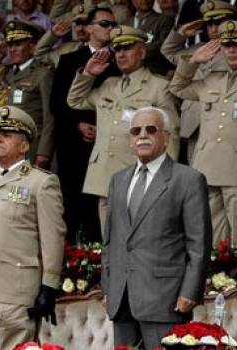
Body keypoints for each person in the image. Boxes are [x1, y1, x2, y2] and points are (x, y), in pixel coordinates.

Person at [102, 107, 211, 350]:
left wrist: (190, 292)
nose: (142, 135)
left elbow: (199, 243)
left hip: (167, 300)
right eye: (135, 131)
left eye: (151, 129)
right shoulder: (118, 180)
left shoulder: (188, 179)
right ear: (130, 140)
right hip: (122, 300)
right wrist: (108, 289)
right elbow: (110, 240)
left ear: (166, 137)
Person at [169, 20, 237, 246]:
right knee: (211, 228)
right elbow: (177, 88)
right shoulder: (211, 78)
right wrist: (192, 63)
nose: (231, 50)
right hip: (207, 164)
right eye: (227, 45)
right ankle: (216, 274)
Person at [67, 25, 179, 236]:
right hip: (105, 176)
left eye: (127, 48)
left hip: (138, 172)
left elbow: (169, 136)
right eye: (117, 50)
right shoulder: (109, 84)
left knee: (138, 239)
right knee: (109, 240)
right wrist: (88, 74)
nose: (121, 54)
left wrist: (165, 178)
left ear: (142, 52)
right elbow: (75, 100)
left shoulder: (158, 86)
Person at [0, 105, 66, 350]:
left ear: (25, 146)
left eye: (7, 135)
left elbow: (53, 236)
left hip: (16, 291)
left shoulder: (41, 182)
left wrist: (49, 286)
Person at [51, 7, 120, 242]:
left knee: (100, 205)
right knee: (69, 204)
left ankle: (95, 261)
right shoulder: (69, 60)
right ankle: (70, 265)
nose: (111, 29)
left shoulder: (120, 59)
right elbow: (57, 103)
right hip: (74, 144)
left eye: (113, 24)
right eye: (104, 24)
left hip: (107, 143)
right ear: (89, 28)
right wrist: (77, 125)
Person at [160, 0, 236, 163]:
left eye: (219, 23)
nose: (214, 29)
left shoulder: (236, 52)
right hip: (193, 123)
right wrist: (181, 33)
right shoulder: (197, 49)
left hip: (220, 122)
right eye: (209, 24)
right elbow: (167, 51)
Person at [0, 19, 55, 168]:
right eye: (9, 45)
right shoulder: (1, 73)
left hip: (26, 150)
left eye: (18, 44)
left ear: (32, 45)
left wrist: (44, 152)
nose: (12, 49)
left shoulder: (42, 74)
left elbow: (50, 116)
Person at [34, 3, 93, 68]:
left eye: (86, 23)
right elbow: (40, 55)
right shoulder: (66, 48)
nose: (80, 29)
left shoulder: (102, 49)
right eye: (78, 23)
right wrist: (53, 35)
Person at [125, 0, 175, 75]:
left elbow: (162, 45)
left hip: (154, 71)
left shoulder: (165, 20)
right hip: (128, 73)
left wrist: (132, 52)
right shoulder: (124, 23)